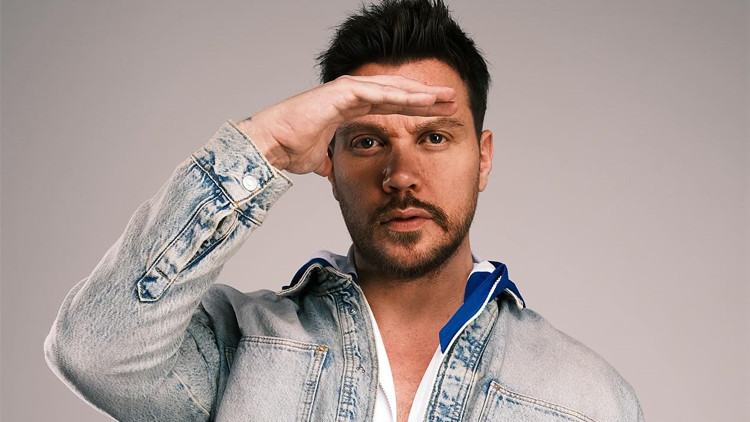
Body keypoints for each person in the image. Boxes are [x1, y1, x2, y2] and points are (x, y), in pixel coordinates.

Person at [45, 1, 644, 421]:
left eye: (435, 138)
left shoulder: (588, 401)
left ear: (483, 159)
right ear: (328, 161)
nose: (401, 175)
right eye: (367, 141)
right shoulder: (239, 348)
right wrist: (265, 145)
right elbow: (95, 352)